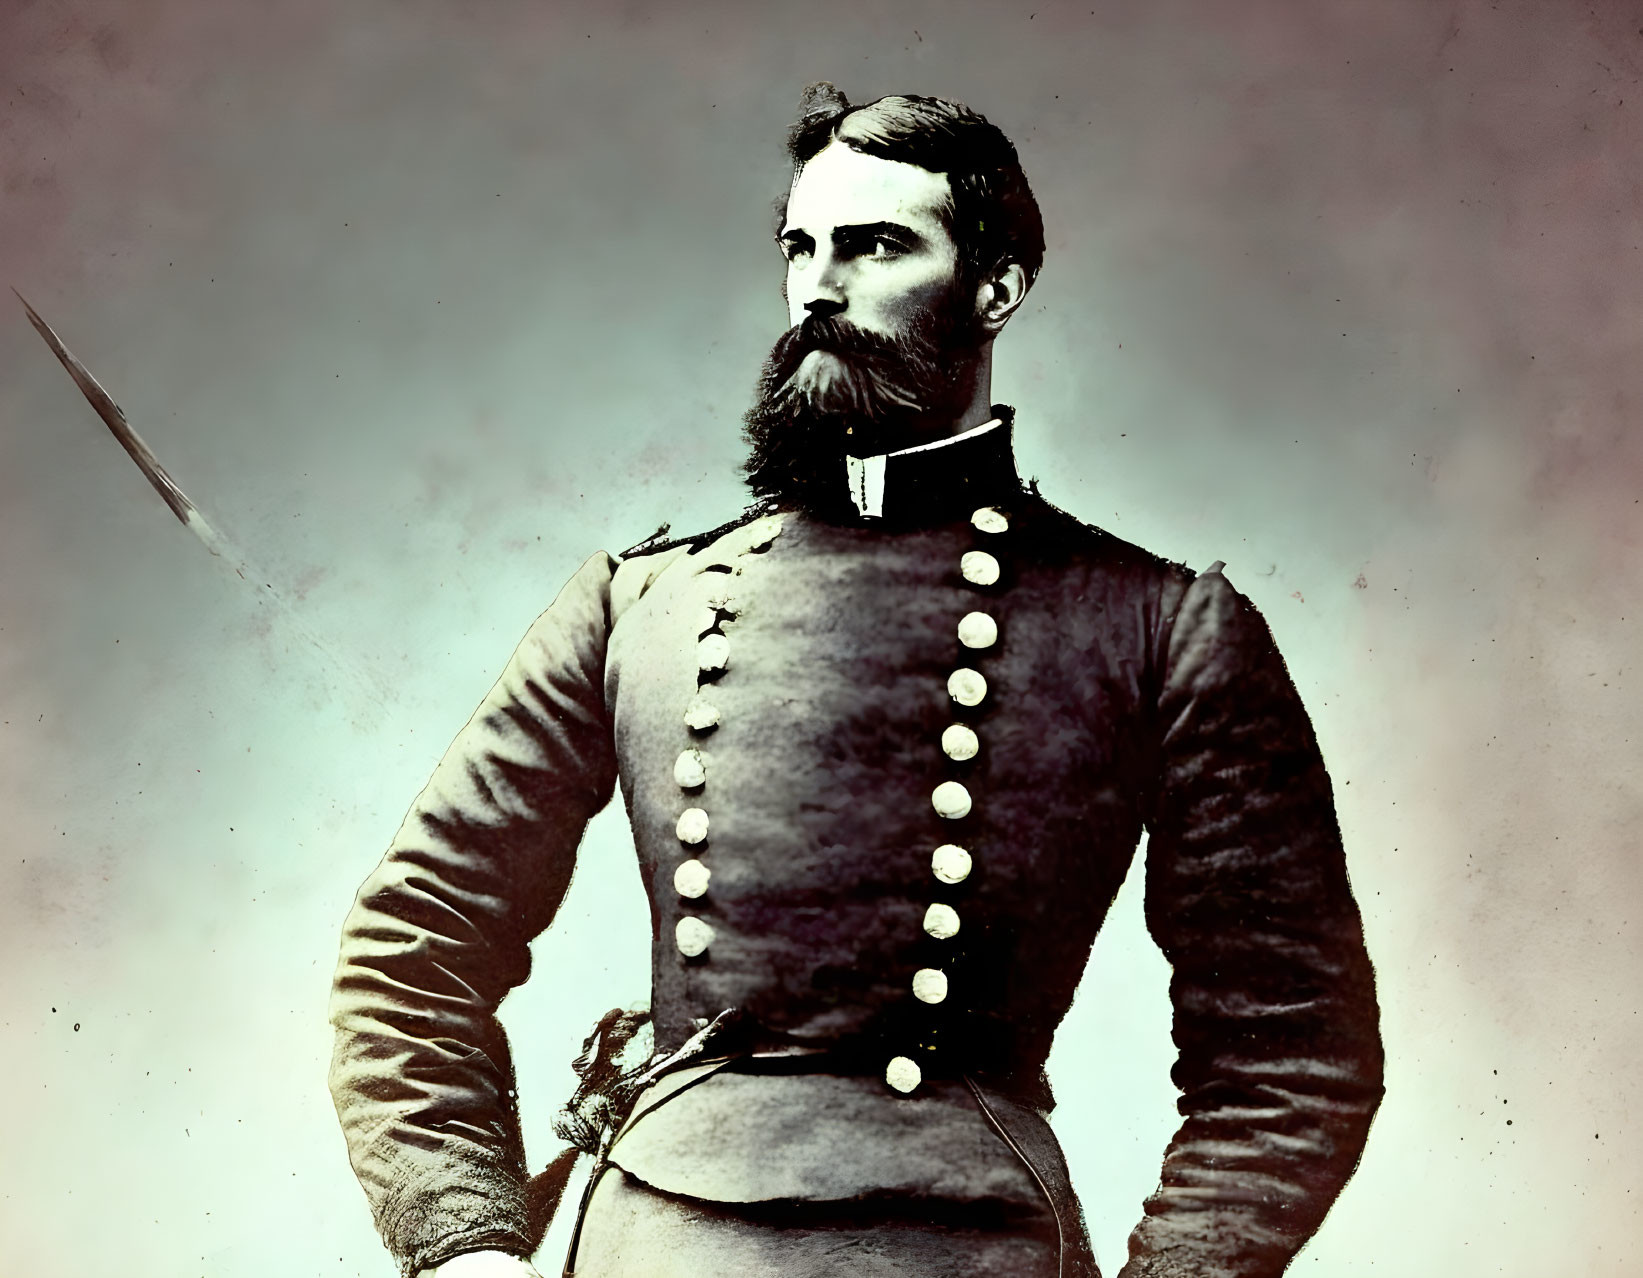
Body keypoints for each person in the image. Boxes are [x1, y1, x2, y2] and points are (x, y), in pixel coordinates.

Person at [328, 84, 1384, 1278]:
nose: (817, 288)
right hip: (656, 1241)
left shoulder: (1153, 626)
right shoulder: (637, 605)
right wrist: (463, 1245)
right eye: (799, 248)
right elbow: (409, 951)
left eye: (875, 245)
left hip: (969, 1248)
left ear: (996, 287)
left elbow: (1292, 1054)